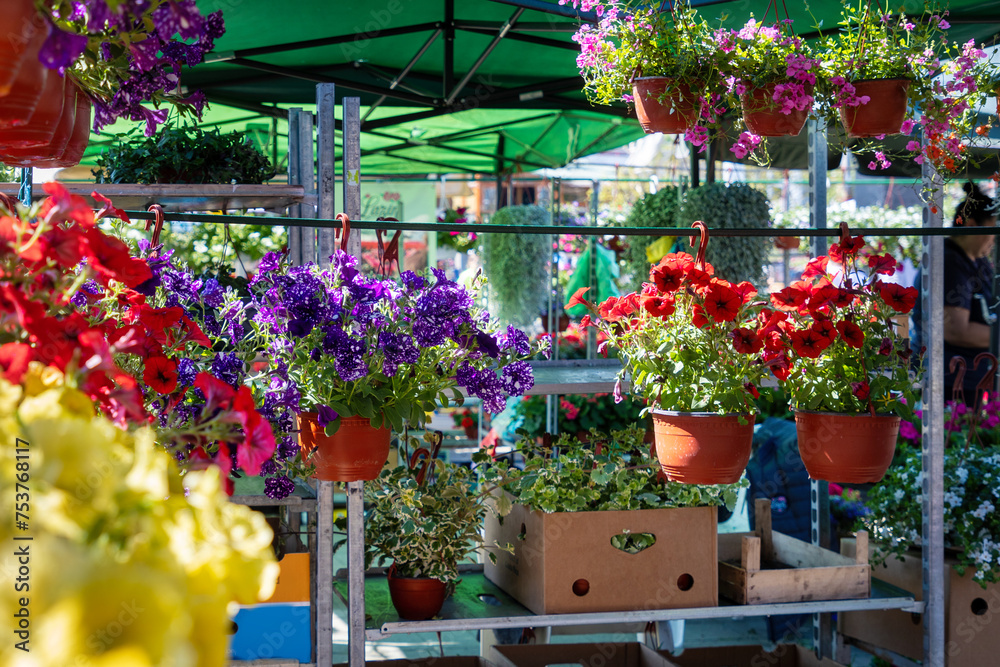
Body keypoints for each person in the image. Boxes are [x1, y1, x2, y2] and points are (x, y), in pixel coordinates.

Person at [912, 182, 997, 403]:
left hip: (972, 378)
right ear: (971, 225)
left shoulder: (978, 261)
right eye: (992, 230)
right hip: (951, 382)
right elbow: (956, 330)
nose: (995, 239)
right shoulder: (950, 263)